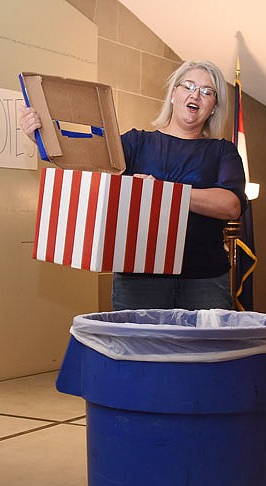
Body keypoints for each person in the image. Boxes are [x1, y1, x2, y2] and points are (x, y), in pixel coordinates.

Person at [19, 60, 248, 311]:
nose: (196, 95)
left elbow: (230, 205)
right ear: (173, 93)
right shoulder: (137, 142)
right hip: (139, 279)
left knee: (205, 351)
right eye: (189, 86)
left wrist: (163, 192)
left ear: (214, 106)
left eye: (207, 92)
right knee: (138, 350)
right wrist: (40, 137)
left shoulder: (222, 151)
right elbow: (86, 162)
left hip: (204, 278)